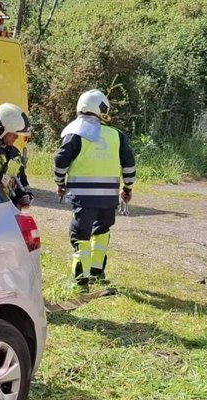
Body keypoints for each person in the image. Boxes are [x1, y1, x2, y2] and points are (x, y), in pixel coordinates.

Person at [53, 89, 137, 288]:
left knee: (80, 235)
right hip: (108, 199)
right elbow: (129, 164)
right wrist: (127, 187)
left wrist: (60, 183)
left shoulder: (75, 134)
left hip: (82, 199)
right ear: (103, 110)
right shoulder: (117, 135)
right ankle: (97, 273)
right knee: (101, 232)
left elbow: (60, 160)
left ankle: (81, 281)